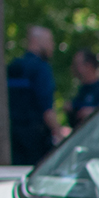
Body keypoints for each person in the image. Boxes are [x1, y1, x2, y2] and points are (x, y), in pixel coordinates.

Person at [6, 26, 64, 165]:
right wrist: (60, 134)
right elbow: (47, 110)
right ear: (36, 41)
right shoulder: (41, 69)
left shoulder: (13, 67)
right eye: (49, 41)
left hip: (12, 136)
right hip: (36, 139)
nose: (52, 46)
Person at [67, 50, 99, 128]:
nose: (74, 69)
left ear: (89, 65)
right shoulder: (80, 95)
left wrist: (95, 112)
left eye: (77, 65)